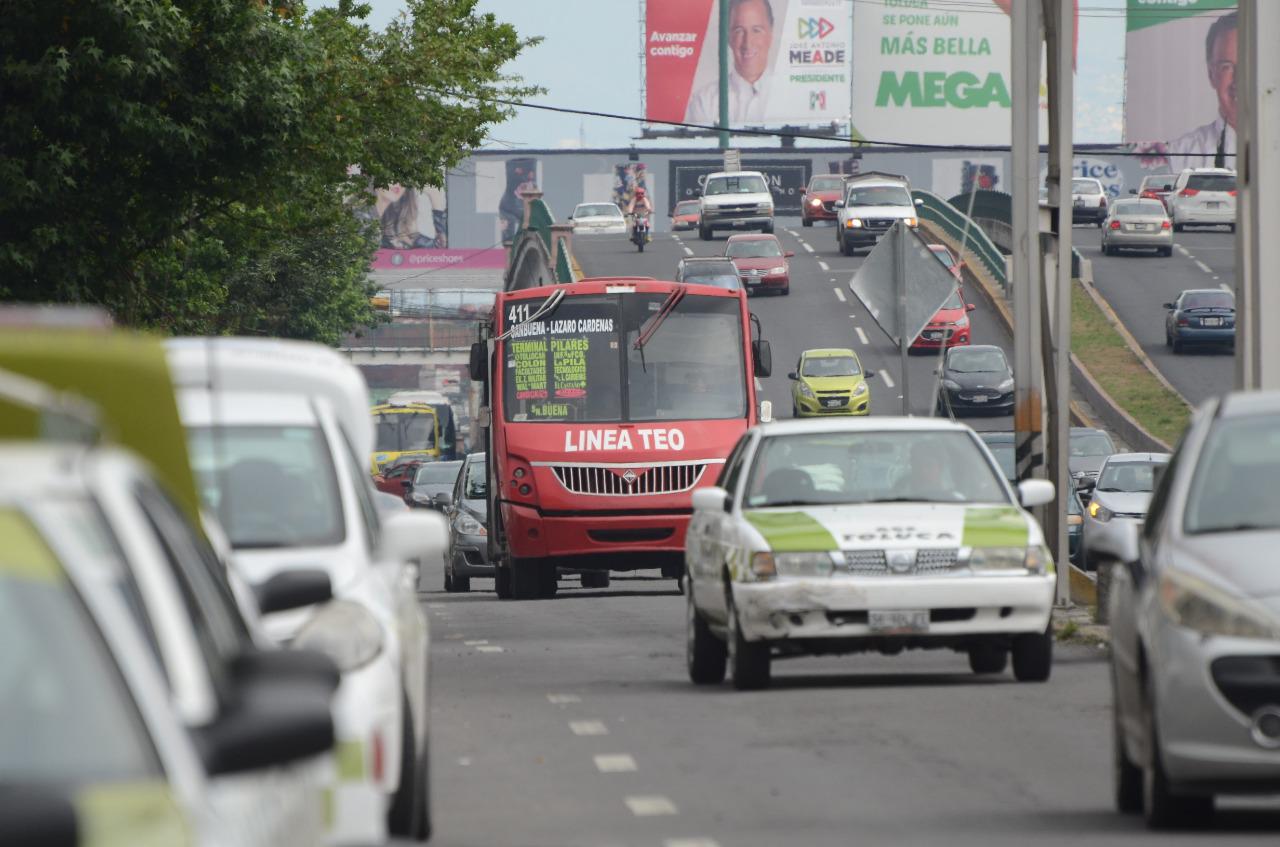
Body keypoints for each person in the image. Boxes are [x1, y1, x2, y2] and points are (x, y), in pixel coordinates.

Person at [1161, 12, 1237, 173]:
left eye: (1250, 64)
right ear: (1211, 74)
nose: (1240, 79)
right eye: (1226, 67)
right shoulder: (1179, 155)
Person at [685, 0, 775, 125]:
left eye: (756, 30)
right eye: (739, 31)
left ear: (771, 34)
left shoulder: (792, 93)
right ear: (728, 36)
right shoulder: (704, 101)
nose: (747, 43)